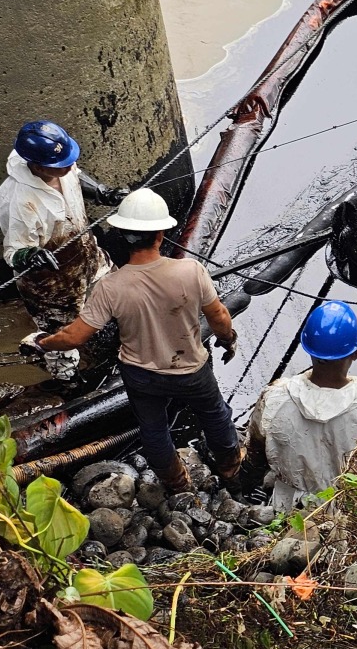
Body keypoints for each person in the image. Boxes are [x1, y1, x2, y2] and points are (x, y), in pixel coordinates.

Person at [30, 189, 241, 493]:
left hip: (141, 376)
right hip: (191, 371)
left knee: (153, 430)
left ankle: (177, 484)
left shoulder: (110, 287)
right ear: (161, 233)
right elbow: (219, 317)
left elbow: (73, 337)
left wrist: (44, 342)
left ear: (122, 235)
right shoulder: (191, 271)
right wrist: (228, 339)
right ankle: (231, 470)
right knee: (215, 415)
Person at [0, 121, 127, 379]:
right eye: (61, 164)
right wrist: (31, 255)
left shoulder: (59, 166)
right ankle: (66, 380)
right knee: (62, 336)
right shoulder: (19, 201)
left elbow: (75, 175)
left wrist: (103, 193)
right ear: (37, 166)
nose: (69, 165)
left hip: (88, 254)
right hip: (52, 281)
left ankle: (124, 340)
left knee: (119, 290)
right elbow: (13, 253)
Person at [245, 301, 357, 510]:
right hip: (353, 510)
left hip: (291, 509)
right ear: (355, 352)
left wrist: (248, 484)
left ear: (308, 349)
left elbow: (255, 453)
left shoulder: (274, 398)